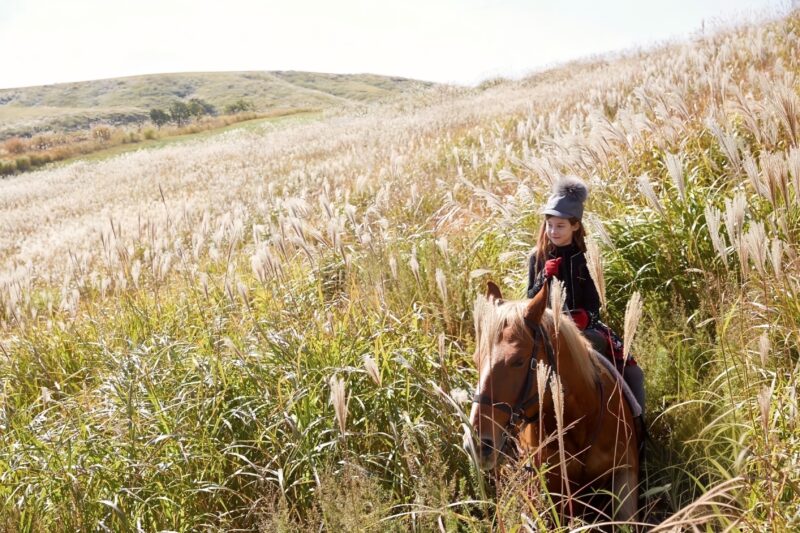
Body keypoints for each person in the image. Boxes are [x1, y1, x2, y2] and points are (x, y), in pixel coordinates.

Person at [527, 176, 645, 417]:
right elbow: (529, 299)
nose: (553, 231)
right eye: (549, 225)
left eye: (560, 226)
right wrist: (543, 278)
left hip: (585, 328)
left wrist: (586, 318)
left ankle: (639, 425)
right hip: (546, 328)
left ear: (575, 226)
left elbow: (594, 303)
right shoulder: (537, 257)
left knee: (634, 372)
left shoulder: (586, 257)